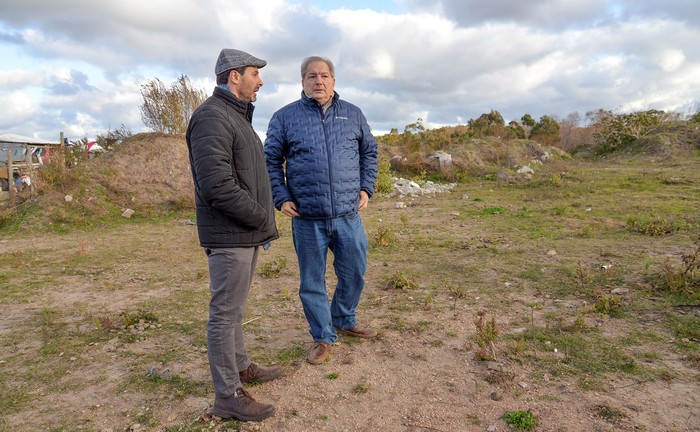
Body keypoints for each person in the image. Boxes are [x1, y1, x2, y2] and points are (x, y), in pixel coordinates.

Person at [264, 56, 379, 365]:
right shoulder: (285, 117)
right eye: (312, 76)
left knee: (355, 271)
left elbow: (369, 151)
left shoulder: (353, 114)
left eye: (324, 75)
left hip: (347, 215)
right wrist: (281, 195)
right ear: (302, 82)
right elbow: (270, 160)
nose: (319, 81)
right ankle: (323, 336)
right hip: (306, 217)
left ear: (333, 80)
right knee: (312, 282)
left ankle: (343, 316)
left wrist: (366, 187)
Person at [186, 48, 280, 422]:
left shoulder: (235, 116)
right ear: (234, 76)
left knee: (235, 309)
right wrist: (259, 216)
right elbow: (217, 186)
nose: (261, 81)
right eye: (255, 73)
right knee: (224, 315)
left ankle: (241, 367)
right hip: (231, 235)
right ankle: (228, 395)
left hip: (244, 233)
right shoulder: (211, 117)